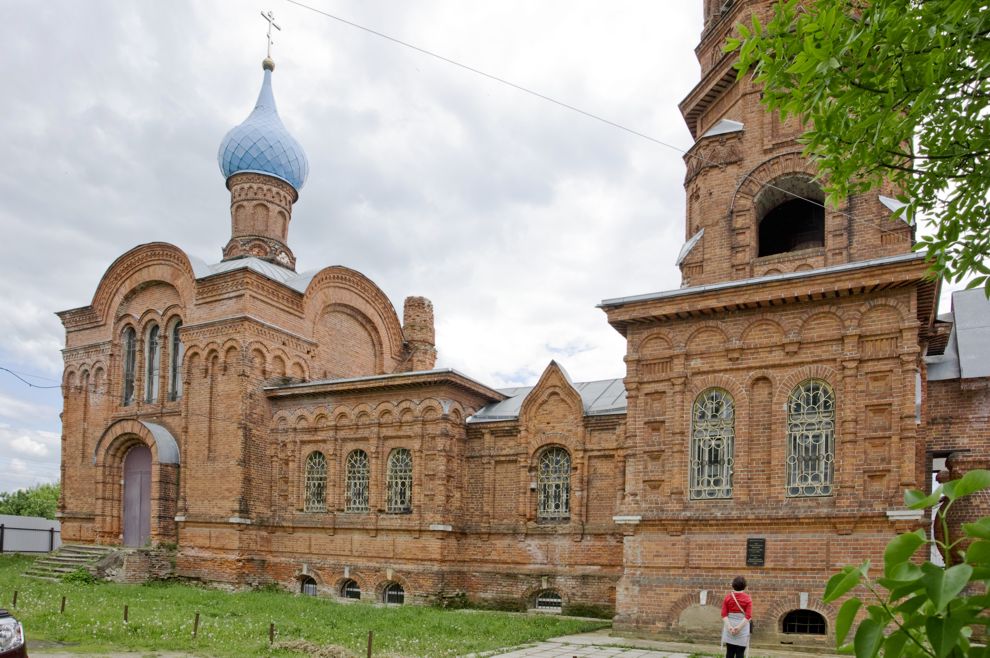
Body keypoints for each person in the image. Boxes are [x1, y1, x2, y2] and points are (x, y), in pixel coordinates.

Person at [721, 575, 752, 658]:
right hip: (742, 627)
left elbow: (724, 614)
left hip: (729, 626)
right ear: (744, 586)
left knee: (729, 652)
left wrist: (730, 627)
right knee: (740, 653)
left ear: (733, 585)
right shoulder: (747, 599)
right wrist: (738, 628)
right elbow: (748, 616)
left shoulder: (728, 597)